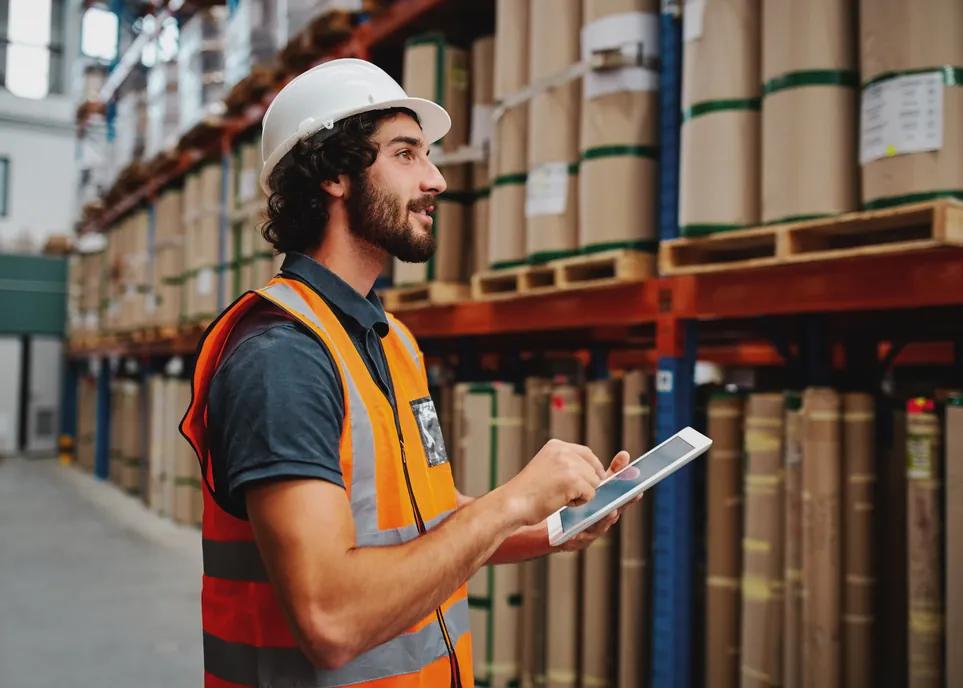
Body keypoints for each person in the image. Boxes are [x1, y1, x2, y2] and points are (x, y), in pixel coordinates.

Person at [179, 58, 639, 688]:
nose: (436, 180)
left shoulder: (389, 340)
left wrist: (549, 528)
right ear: (334, 175)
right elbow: (330, 621)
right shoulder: (281, 358)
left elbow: (424, 516)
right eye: (406, 154)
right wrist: (512, 500)